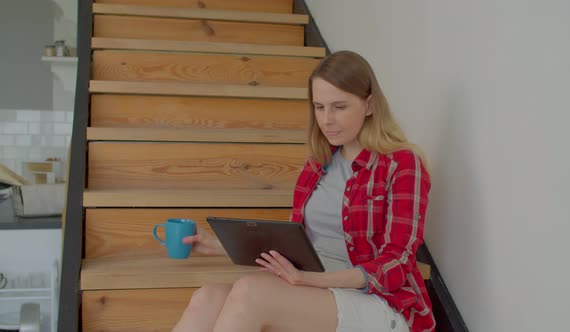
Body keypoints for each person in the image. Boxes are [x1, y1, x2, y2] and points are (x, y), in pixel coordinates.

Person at [172, 50, 435, 332]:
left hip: (377, 302)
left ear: (369, 105)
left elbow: (397, 261)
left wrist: (309, 280)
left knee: (252, 293)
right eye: (319, 107)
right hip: (313, 288)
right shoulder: (316, 166)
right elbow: (295, 246)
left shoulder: (402, 163)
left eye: (339, 107)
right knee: (206, 298)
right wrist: (220, 245)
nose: (326, 120)